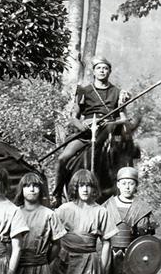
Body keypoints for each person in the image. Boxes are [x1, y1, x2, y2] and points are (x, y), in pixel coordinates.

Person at [54, 56, 131, 200]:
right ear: (94, 72)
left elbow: (123, 119)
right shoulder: (84, 91)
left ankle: (124, 195)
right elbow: (73, 117)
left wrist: (112, 123)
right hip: (87, 134)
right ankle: (56, 193)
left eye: (105, 68)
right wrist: (82, 126)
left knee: (125, 156)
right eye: (99, 68)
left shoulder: (118, 92)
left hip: (109, 134)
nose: (102, 71)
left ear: (109, 71)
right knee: (63, 158)